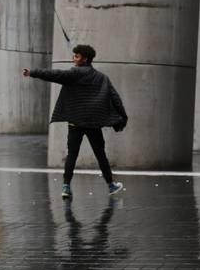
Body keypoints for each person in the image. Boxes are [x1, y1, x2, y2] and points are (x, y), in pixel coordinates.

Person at [22, 43, 127, 200]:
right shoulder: (102, 78)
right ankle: (111, 185)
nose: (74, 59)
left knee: (72, 154)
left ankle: (66, 187)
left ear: (85, 59)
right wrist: (122, 117)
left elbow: (54, 74)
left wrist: (33, 73)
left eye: (76, 56)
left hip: (75, 123)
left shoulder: (73, 74)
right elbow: (115, 98)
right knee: (100, 155)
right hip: (93, 124)